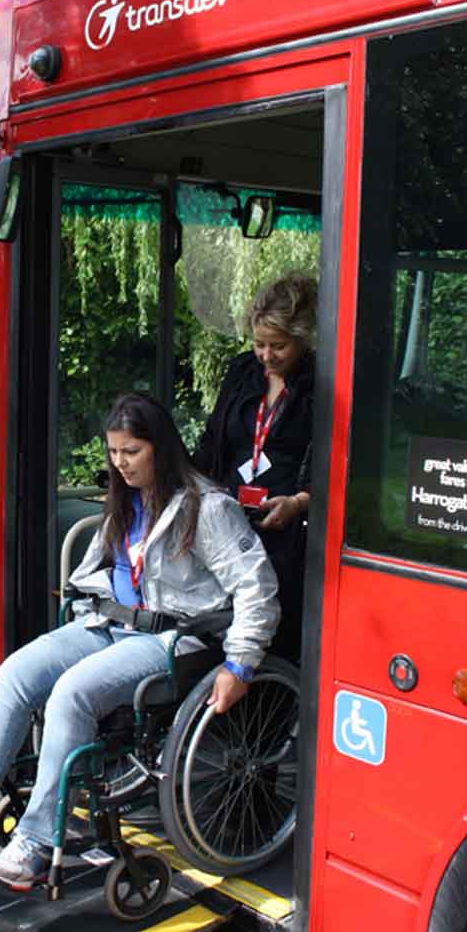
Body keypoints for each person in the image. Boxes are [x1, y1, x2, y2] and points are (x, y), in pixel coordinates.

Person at [0, 392, 280, 892]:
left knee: (72, 692)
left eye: (131, 452)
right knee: (16, 672)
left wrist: (241, 665)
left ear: (160, 449)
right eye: (114, 452)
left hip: (171, 637)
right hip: (106, 624)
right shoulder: (126, 499)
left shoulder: (208, 509)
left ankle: (35, 842)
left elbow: (257, 588)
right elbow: (99, 568)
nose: (120, 464)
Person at [192, 271, 316, 661]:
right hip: (230, 518)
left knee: (273, 626)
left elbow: (337, 459)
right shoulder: (243, 371)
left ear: (303, 337)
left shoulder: (322, 381)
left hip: (288, 531)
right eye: (259, 344)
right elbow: (214, 440)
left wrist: (299, 502)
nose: (266, 356)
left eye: (278, 346)